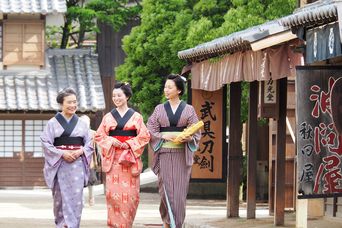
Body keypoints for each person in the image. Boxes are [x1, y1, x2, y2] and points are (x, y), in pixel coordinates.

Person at [147, 74, 201, 228]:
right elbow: (150, 129)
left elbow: (196, 131)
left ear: (179, 90)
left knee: (179, 193)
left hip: (181, 156)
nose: (166, 90)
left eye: (170, 87)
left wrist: (188, 138)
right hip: (164, 153)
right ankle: (167, 222)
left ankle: (177, 224)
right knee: (165, 192)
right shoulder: (159, 109)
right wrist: (164, 136)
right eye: (165, 87)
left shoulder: (189, 109)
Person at [95, 82, 150, 228]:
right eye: (114, 96)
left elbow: (144, 136)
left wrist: (130, 144)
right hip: (114, 159)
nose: (116, 98)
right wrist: (111, 140)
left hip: (129, 159)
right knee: (113, 195)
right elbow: (99, 136)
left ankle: (126, 225)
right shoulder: (108, 117)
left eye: (119, 95)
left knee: (131, 197)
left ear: (127, 96)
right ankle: (113, 225)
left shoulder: (136, 117)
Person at [40, 88, 93, 228]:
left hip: (77, 165)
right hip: (60, 164)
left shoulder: (82, 123)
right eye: (69, 102)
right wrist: (61, 153)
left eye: (75, 102)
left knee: (76, 199)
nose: (73, 105)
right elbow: (46, 143)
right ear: (61, 104)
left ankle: (73, 225)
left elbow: (89, 143)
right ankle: (62, 225)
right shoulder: (52, 123)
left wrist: (81, 151)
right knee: (60, 197)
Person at [79, 115, 101, 206]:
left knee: (91, 180)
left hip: (90, 159)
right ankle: (81, 199)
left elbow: (98, 148)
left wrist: (99, 159)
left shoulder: (93, 133)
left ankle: (91, 198)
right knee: (79, 180)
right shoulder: (77, 133)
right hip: (79, 159)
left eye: (86, 122)